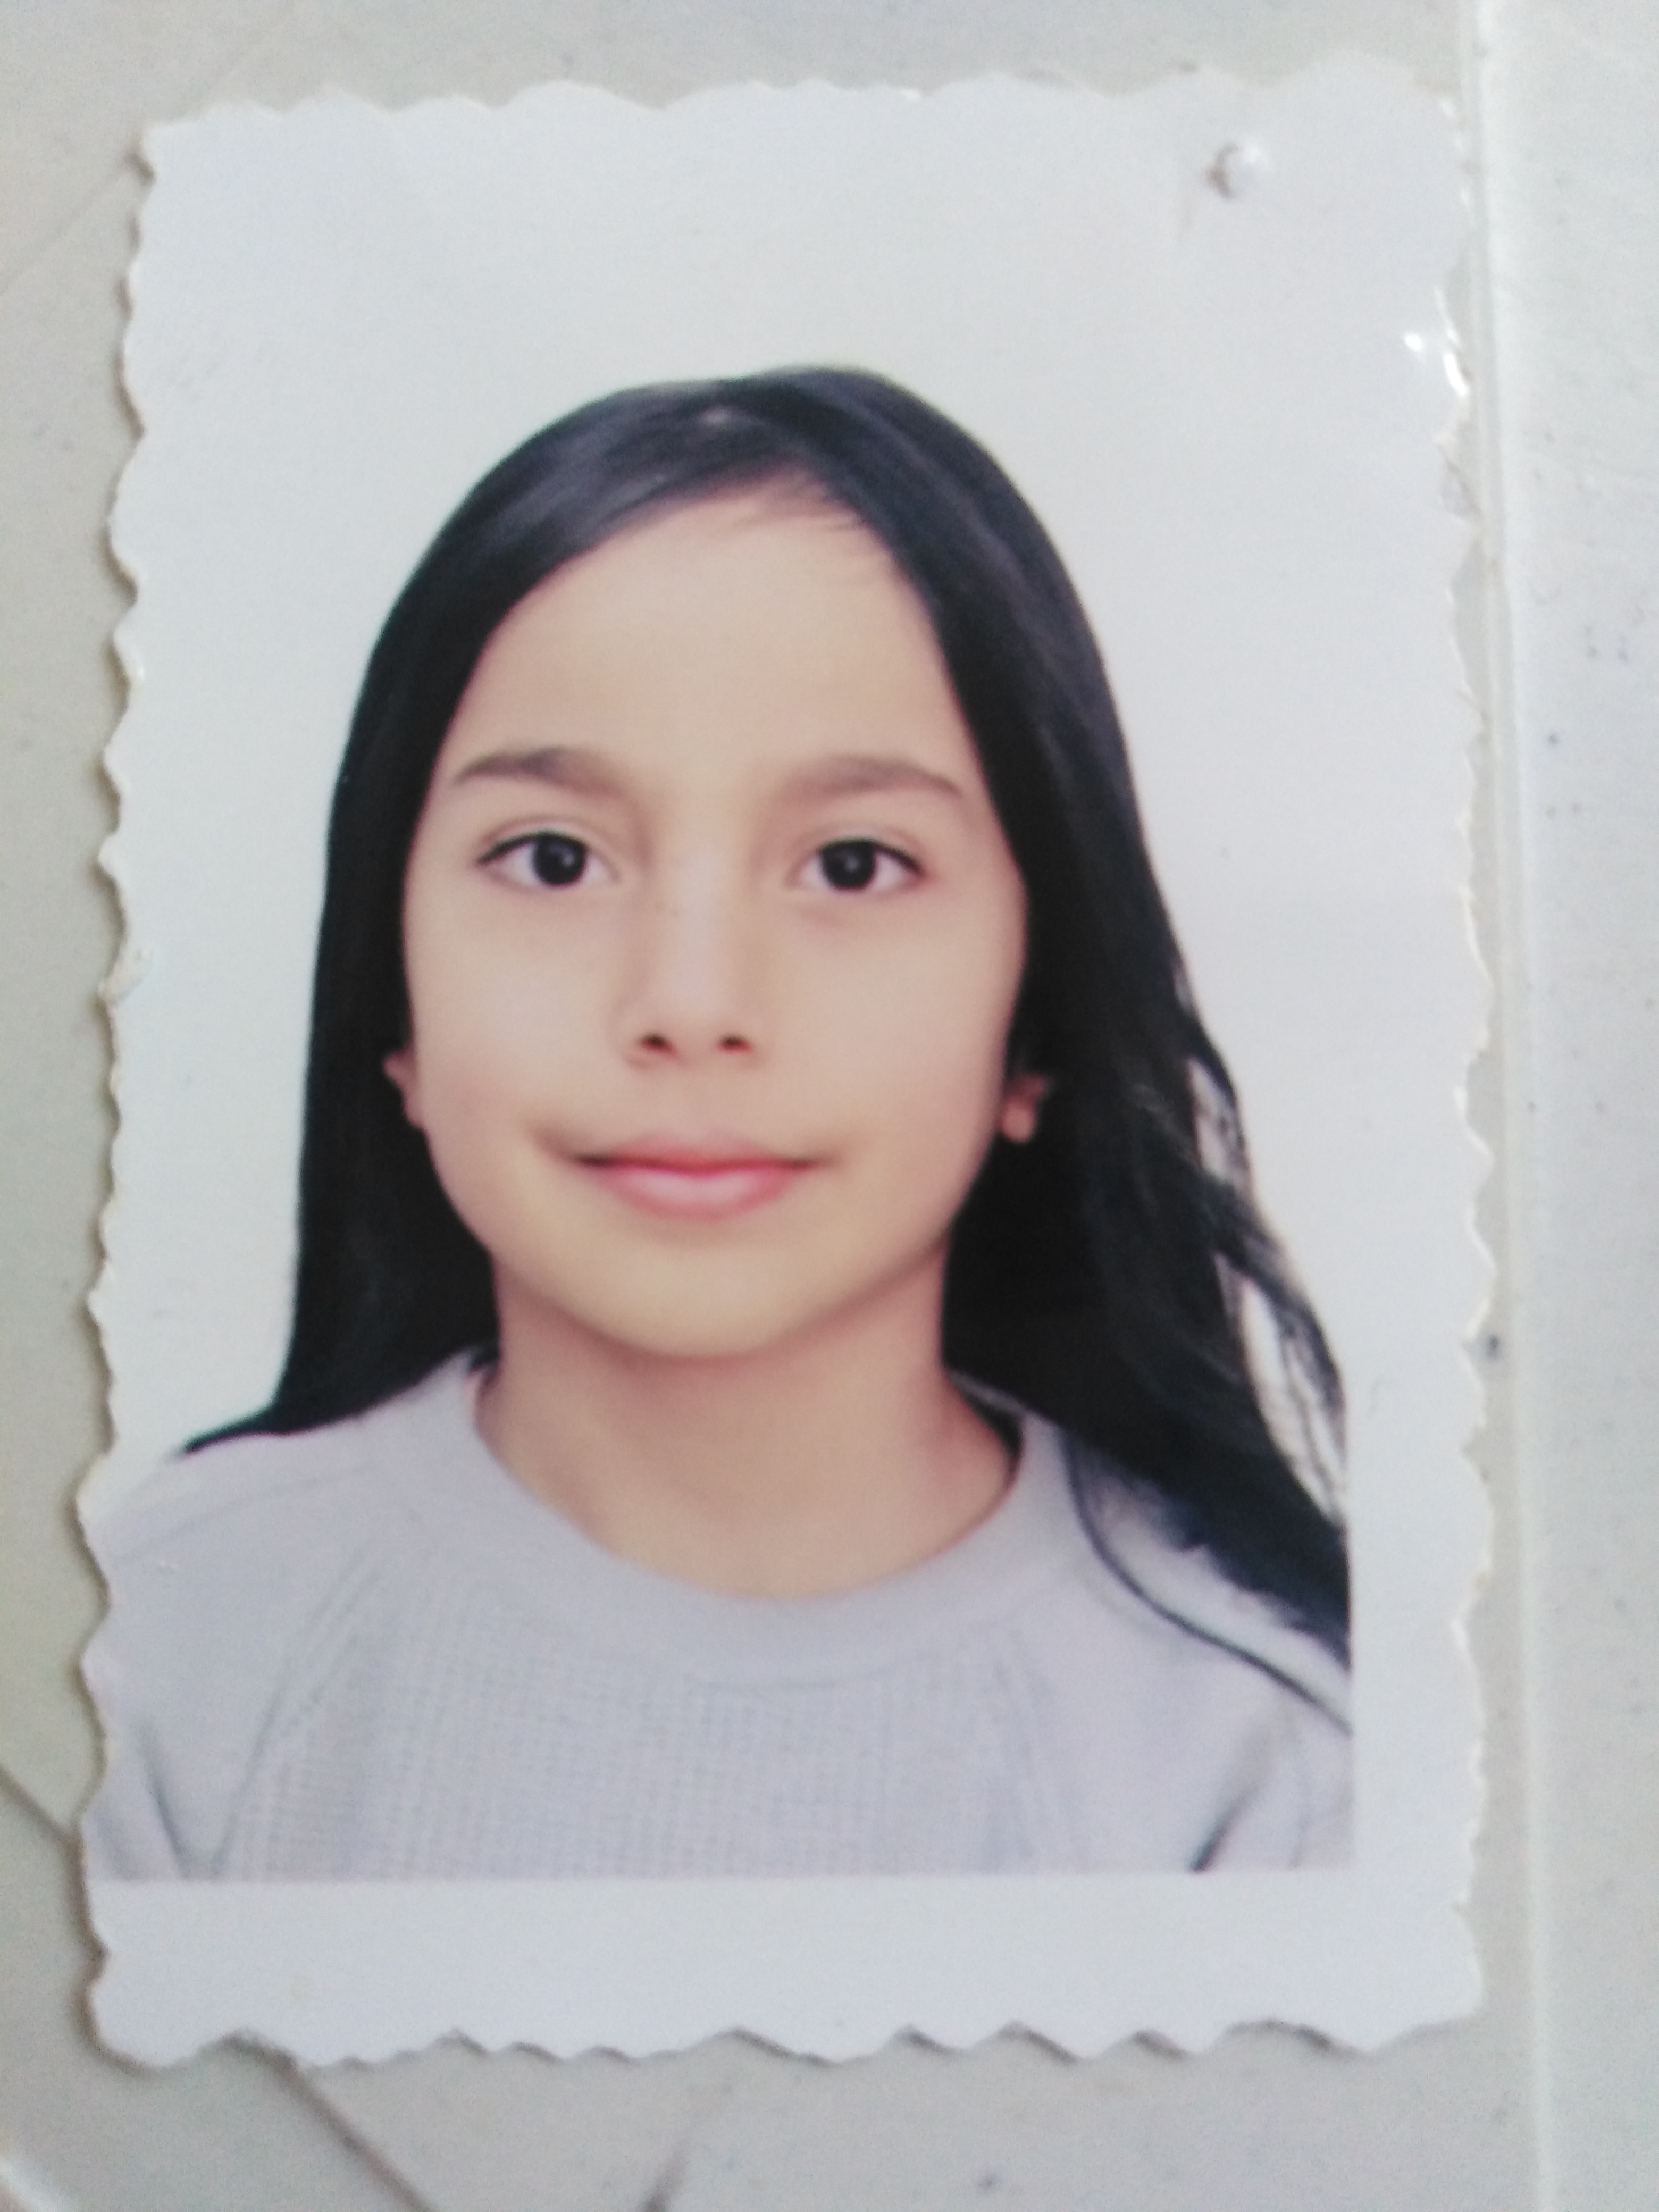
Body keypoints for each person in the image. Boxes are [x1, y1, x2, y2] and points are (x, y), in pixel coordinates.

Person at [82, 368, 1351, 1881]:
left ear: (1039, 1021)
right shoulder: (148, 1650)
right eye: (555, 859)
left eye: (855, 864)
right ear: (393, 1003)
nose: (691, 1005)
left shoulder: (1265, 1755)